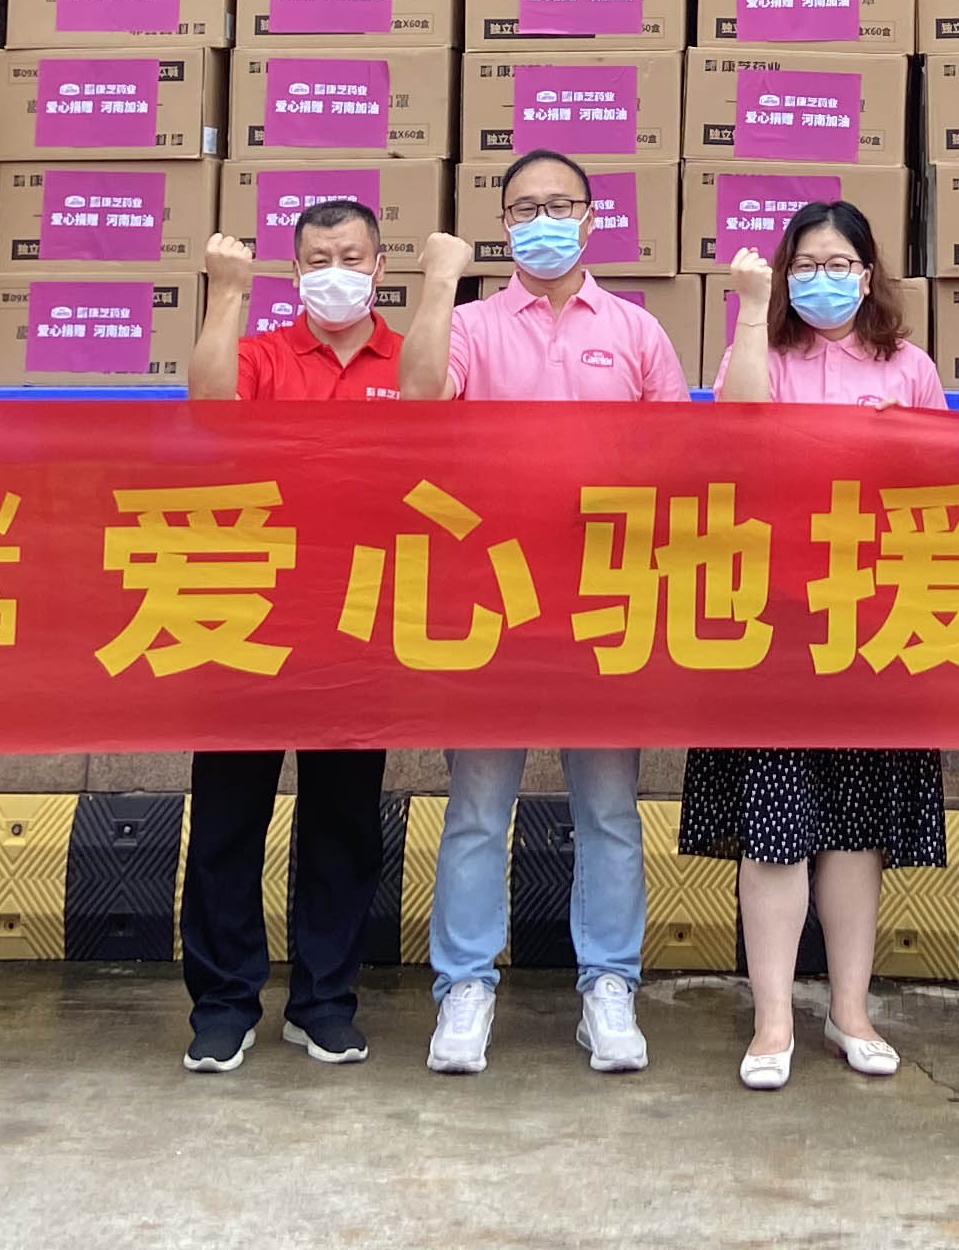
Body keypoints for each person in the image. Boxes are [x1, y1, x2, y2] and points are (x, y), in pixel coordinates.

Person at [402, 147, 689, 1076]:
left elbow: (679, 461)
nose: (543, 221)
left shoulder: (637, 331)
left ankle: (609, 985)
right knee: (478, 808)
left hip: (602, 599)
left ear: (593, 219)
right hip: (491, 599)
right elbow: (416, 399)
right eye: (525, 208)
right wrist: (439, 283)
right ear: (503, 225)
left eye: (561, 205)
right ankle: (464, 988)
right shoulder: (472, 326)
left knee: (607, 807)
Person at [169, 197, 426, 1075]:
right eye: (318, 261)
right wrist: (224, 293)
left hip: (360, 613)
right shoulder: (262, 353)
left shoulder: (410, 357)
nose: (336, 275)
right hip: (247, 606)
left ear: (380, 267)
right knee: (228, 815)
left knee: (342, 821)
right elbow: (209, 409)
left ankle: (323, 1000)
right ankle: (224, 1002)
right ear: (293, 272)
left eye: (352, 258)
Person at [698, 202, 948, 1090]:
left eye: (840, 265)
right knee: (774, 824)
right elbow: (735, 433)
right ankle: (772, 1020)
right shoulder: (762, 354)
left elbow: (944, 487)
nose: (823, 281)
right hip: (774, 619)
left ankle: (849, 1010)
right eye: (805, 266)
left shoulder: (909, 367)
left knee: (856, 827)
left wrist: (901, 443)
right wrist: (749, 310)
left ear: (869, 276)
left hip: (874, 619)